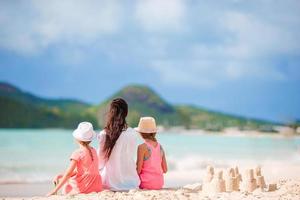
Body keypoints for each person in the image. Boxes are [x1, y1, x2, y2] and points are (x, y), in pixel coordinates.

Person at [47, 122, 102, 196]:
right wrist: (60, 175)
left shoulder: (77, 153)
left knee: (68, 182)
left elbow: (68, 173)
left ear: (77, 138)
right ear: (90, 139)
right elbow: (82, 171)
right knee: (70, 178)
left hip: (86, 186)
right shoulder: (94, 150)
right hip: (97, 186)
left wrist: (54, 190)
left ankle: (64, 194)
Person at [97, 98, 140, 190]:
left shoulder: (104, 134)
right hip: (132, 182)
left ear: (111, 112)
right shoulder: (133, 133)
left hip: (110, 183)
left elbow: (100, 162)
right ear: (126, 113)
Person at [135, 117, 168, 190]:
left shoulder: (142, 147)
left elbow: (138, 170)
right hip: (159, 183)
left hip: (146, 183)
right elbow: (165, 169)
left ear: (141, 133)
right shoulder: (160, 147)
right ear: (154, 132)